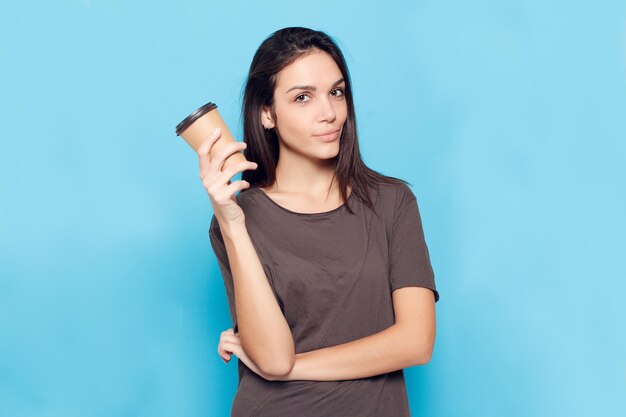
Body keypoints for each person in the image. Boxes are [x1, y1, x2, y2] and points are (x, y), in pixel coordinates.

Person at [199, 26, 440, 417]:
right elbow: (273, 358)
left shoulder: (392, 203)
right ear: (267, 114)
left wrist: (293, 368)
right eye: (303, 98)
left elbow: (416, 341)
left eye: (336, 92)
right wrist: (230, 221)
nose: (328, 112)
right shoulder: (240, 220)